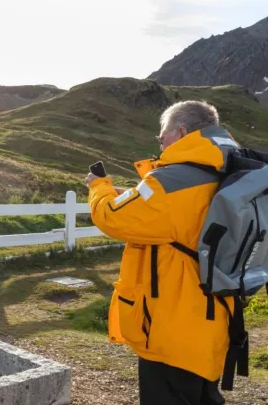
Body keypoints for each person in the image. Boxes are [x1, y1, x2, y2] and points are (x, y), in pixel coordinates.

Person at [85, 100, 240, 405]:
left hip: (172, 330)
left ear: (181, 132)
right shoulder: (227, 170)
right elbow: (171, 215)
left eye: (162, 137)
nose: (161, 145)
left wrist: (99, 187)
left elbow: (112, 218)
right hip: (213, 320)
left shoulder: (173, 180)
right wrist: (131, 196)